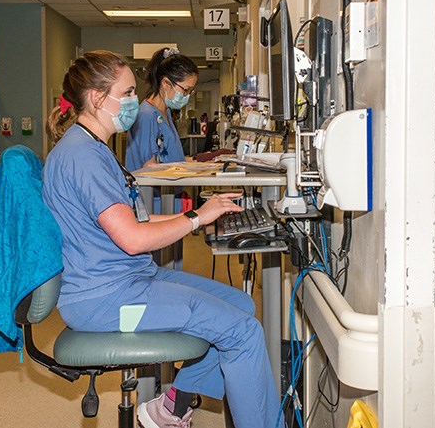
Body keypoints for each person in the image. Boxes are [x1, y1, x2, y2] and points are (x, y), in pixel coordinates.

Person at [42, 50, 283, 428]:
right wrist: (192, 217)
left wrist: (204, 215)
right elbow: (134, 238)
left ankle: (172, 405)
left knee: (240, 305)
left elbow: (132, 217)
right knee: (243, 331)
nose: (133, 102)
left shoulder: (94, 148)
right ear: (97, 98)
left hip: (126, 279)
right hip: (104, 297)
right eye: (126, 93)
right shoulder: (81, 156)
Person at [125, 47, 198, 172]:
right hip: (151, 191)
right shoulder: (146, 115)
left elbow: (170, 157)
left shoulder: (166, 113)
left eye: (191, 91)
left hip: (168, 190)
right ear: (166, 83)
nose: (187, 95)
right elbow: (149, 167)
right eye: (186, 90)